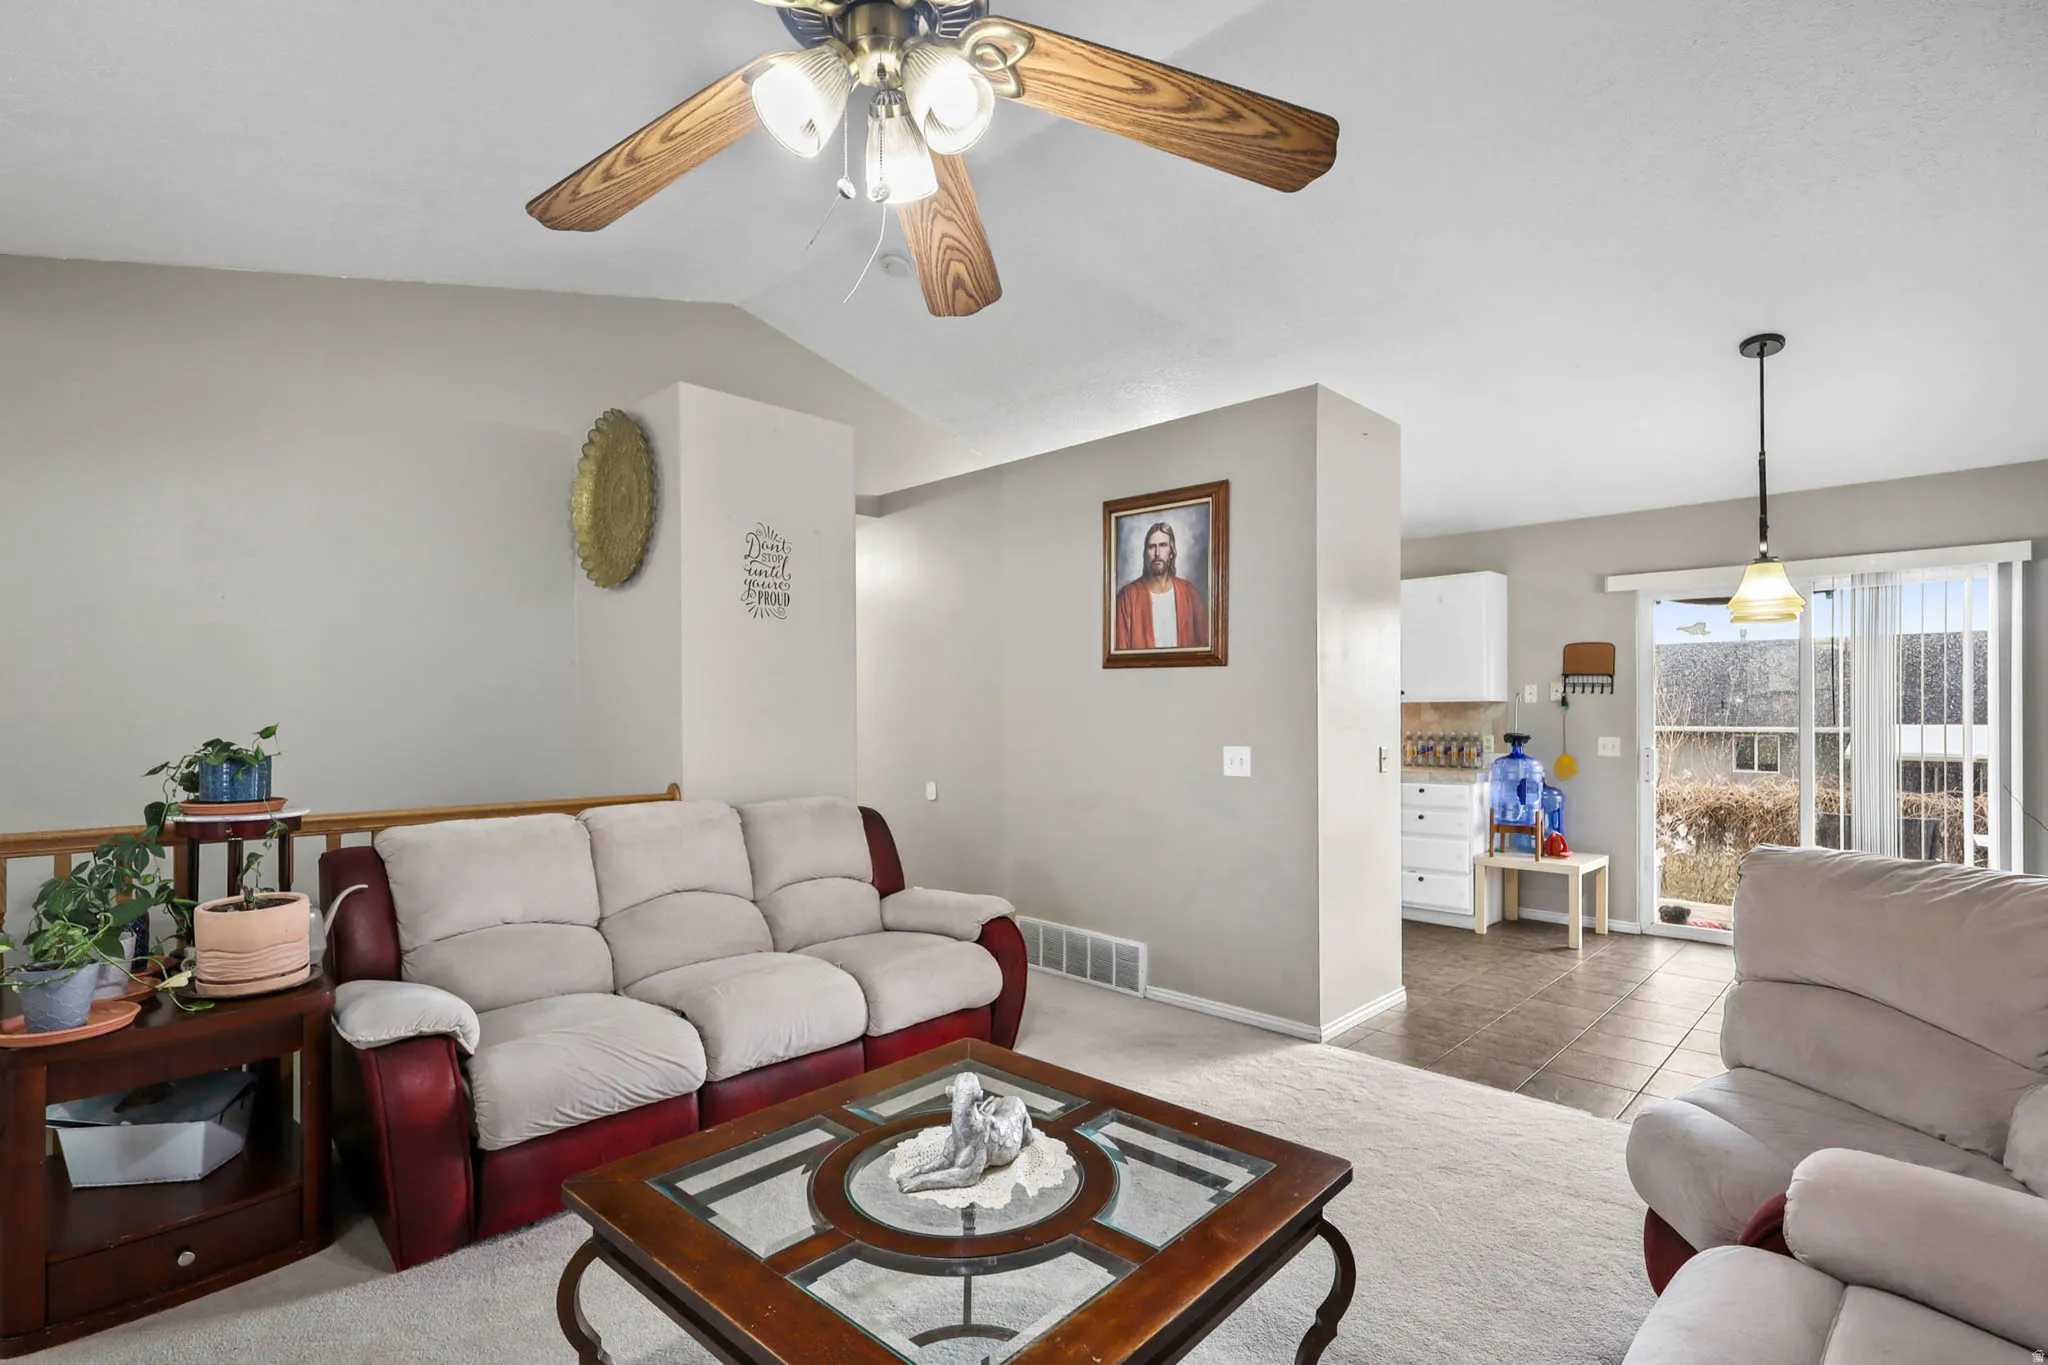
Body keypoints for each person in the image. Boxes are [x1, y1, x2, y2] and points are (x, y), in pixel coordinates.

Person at [1114, 521, 1209, 650]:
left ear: (1171, 552)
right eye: (1152, 547)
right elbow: (1121, 652)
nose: (1157, 553)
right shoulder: (1127, 597)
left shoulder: (1189, 592)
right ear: (1145, 554)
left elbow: (1205, 646)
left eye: (1163, 545)